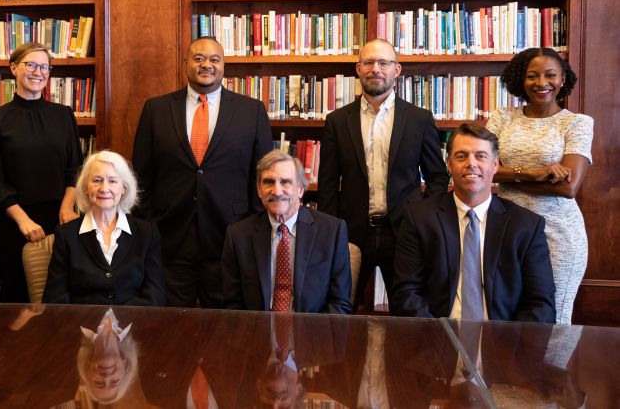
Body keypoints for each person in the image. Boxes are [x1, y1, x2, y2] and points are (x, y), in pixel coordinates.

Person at [132, 36, 273, 307]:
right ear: (185, 64)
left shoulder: (251, 111)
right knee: (171, 323)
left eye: (214, 59)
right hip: (170, 235)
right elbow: (141, 175)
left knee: (225, 327)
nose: (206, 64)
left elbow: (263, 173)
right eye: (198, 58)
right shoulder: (156, 109)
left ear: (224, 66)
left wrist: (252, 225)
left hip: (229, 234)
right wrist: (149, 222)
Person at [317, 38, 449, 303]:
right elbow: (328, 183)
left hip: (404, 232)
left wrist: (423, 217)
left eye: (383, 63)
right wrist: (331, 231)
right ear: (358, 69)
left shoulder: (419, 119)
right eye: (368, 62)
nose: (375, 68)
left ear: (397, 70)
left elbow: (437, 176)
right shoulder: (337, 121)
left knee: (408, 313)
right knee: (343, 308)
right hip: (352, 233)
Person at [391, 123, 556, 323]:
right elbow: (407, 293)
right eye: (461, 156)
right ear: (449, 165)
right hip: (438, 339)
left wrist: (510, 348)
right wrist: (436, 341)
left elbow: (540, 304)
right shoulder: (419, 218)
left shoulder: (526, 226)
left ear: (495, 165)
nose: (471, 163)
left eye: (481, 156)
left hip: (503, 344)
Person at [486, 47, 593, 324]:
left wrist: (507, 177)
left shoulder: (576, 124)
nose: (541, 83)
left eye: (550, 75)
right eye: (532, 76)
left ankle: (553, 370)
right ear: (521, 79)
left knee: (552, 320)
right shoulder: (502, 117)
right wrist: (534, 174)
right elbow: (483, 168)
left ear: (562, 79)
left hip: (557, 234)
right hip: (507, 232)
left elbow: (568, 188)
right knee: (505, 318)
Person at [0, 42, 82, 303]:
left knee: (60, 299)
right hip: (13, 223)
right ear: (13, 68)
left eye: (45, 66)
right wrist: (23, 220)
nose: (39, 72)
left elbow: (75, 169)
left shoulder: (64, 115)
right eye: (31, 65)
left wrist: (67, 208)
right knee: (18, 300)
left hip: (61, 220)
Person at [222, 150, 352, 314]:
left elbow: (340, 304)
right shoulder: (237, 236)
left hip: (313, 332)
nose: (276, 191)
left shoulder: (332, 232)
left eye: (285, 182)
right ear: (259, 189)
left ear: (300, 189)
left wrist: (311, 337)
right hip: (256, 331)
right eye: (269, 182)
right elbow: (233, 306)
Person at [42, 150, 166, 306]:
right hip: (80, 327)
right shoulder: (66, 235)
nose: (104, 188)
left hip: (133, 326)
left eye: (113, 181)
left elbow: (155, 296)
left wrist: (121, 324)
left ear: (124, 188)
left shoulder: (147, 233)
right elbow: (54, 299)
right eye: (97, 180)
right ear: (86, 187)